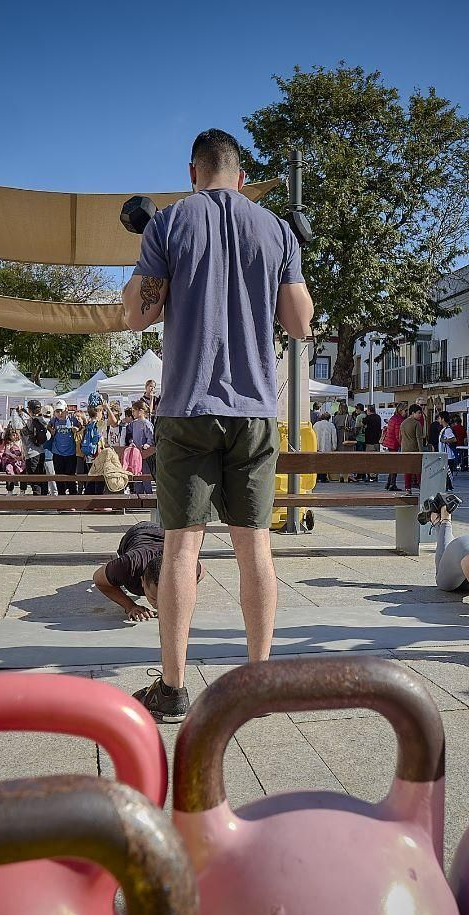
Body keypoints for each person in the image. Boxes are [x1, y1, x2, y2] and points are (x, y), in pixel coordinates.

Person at [120, 128, 313, 721]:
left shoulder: (169, 224)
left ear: (193, 171)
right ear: (241, 174)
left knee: (181, 548)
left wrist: (175, 276)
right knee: (255, 548)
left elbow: (135, 314)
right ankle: (257, 682)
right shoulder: (277, 229)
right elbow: (300, 323)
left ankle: (174, 687)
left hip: (187, 407)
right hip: (255, 409)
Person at [92, 520, 206, 622]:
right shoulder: (128, 565)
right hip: (137, 532)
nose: (158, 606)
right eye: (154, 598)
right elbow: (99, 580)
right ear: (142, 580)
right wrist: (130, 606)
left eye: (163, 598)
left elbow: (202, 572)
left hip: (163, 533)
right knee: (114, 576)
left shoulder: (183, 568)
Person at [23, 398, 54, 496]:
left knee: (34, 479)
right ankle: (44, 500)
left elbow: (16, 424)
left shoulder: (28, 421)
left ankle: (37, 501)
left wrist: (17, 411)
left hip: (31, 453)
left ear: (29, 410)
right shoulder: (43, 420)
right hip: (41, 452)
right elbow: (48, 436)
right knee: (42, 477)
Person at [399, 403, 425, 493]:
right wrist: (421, 452)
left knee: (407, 470)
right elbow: (419, 439)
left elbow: (400, 437)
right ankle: (422, 486)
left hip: (404, 450)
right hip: (415, 450)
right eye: (419, 413)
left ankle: (407, 488)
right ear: (413, 413)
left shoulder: (403, 423)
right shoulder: (417, 424)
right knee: (418, 470)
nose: (420, 415)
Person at [382, 407, 404, 491]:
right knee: (395, 465)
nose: (406, 412)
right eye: (405, 410)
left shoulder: (393, 418)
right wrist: (401, 444)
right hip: (394, 444)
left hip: (389, 443)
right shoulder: (398, 420)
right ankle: (392, 484)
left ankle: (389, 483)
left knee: (392, 464)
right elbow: (398, 434)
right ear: (400, 410)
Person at [362, 404, 383, 482]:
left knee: (369, 459)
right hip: (377, 441)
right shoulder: (378, 417)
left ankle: (371, 475)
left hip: (369, 441)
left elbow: (363, 422)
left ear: (369, 410)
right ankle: (375, 474)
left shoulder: (368, 418)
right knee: (376, 459)